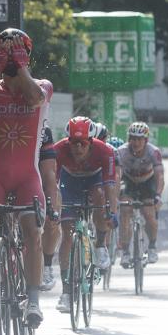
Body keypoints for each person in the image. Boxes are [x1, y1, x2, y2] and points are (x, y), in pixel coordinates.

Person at [0, 27, 52, 328]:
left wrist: (21, 66)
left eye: (17, 52)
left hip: (28, 178)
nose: (12, 59)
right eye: (5, 52)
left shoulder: (42, 85)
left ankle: (33, 299)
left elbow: (34, 99)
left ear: (27, 56)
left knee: (31, 230)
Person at [0, 123, 60, 292]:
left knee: (36, 227)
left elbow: (48, 175)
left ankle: (40, 269)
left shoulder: (43, 131)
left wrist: (51, 207)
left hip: (31, 183)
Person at [53, 117, 117, 312]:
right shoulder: (58, 150)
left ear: (91, 142)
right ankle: (65, 292)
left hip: (94, 181)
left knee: (99, 197)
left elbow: (111, 187)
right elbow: (51, 185)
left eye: (83, 144)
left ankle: (100, 245)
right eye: (74, 143)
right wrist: (53, 209)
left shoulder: (105, 151)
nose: (78, 148)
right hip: (69, 182)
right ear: (68, 141)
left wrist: (112, 212)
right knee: (67, 234)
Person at [117, 122, 164, 266]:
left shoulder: (153, 151)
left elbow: (159, 176)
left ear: (146, 140)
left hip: (147, 182)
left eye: (139, 139)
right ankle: (125, 252)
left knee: (149, 213)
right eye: (133, 138)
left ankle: (152, 246)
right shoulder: (121, 151)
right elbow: (117, 175)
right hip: (129, 180)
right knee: (125, 211)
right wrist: (116, 193)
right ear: (129, 139)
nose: (136, 142)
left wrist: (157, 195)